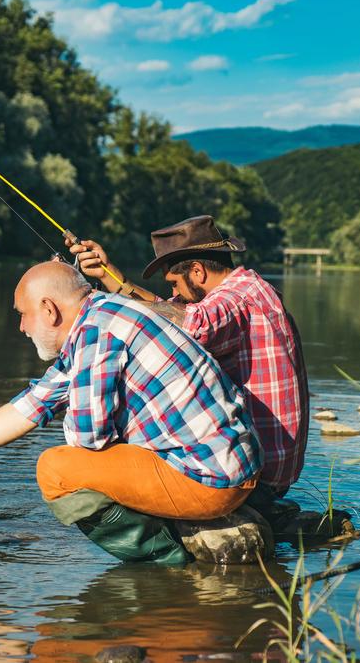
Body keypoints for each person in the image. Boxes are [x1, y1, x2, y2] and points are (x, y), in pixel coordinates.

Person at [0, 260, 261, 563]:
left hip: (210, 479)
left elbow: (87, 439)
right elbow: (29, 406)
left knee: (57, 470)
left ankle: (166, 559)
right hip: (226, 464)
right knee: (81, 458)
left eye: (23, 315)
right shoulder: (102, 314)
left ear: (49, 309)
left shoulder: (97, 333)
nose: (21, 328)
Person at [66, 215, 308, 517]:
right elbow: (172, 313)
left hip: (253, 476)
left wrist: (103, 306)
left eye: (176, 283)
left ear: (198, 271)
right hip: (269, 470)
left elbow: (188, 324)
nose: (175, 293)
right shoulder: (252, 288)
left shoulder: (236, 300)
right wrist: (112, 279)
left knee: (95, 465)